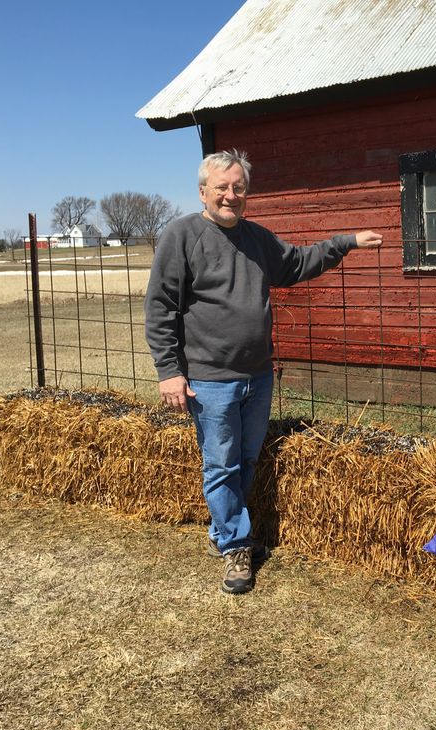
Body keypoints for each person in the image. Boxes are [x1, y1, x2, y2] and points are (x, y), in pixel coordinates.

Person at [145, 149, 383, 595]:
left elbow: (295, 263)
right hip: (210, 379)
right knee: (220, 464)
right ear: (203, 191)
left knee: (248, 458)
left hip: (258, 375)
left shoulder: (256, 238)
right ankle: (236, 544)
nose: (231, 195)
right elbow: (161, 308)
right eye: (222, 188)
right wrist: (169, 371)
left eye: (238, 188)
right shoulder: (181, 235)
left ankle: (227, 529)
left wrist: (345, 242)